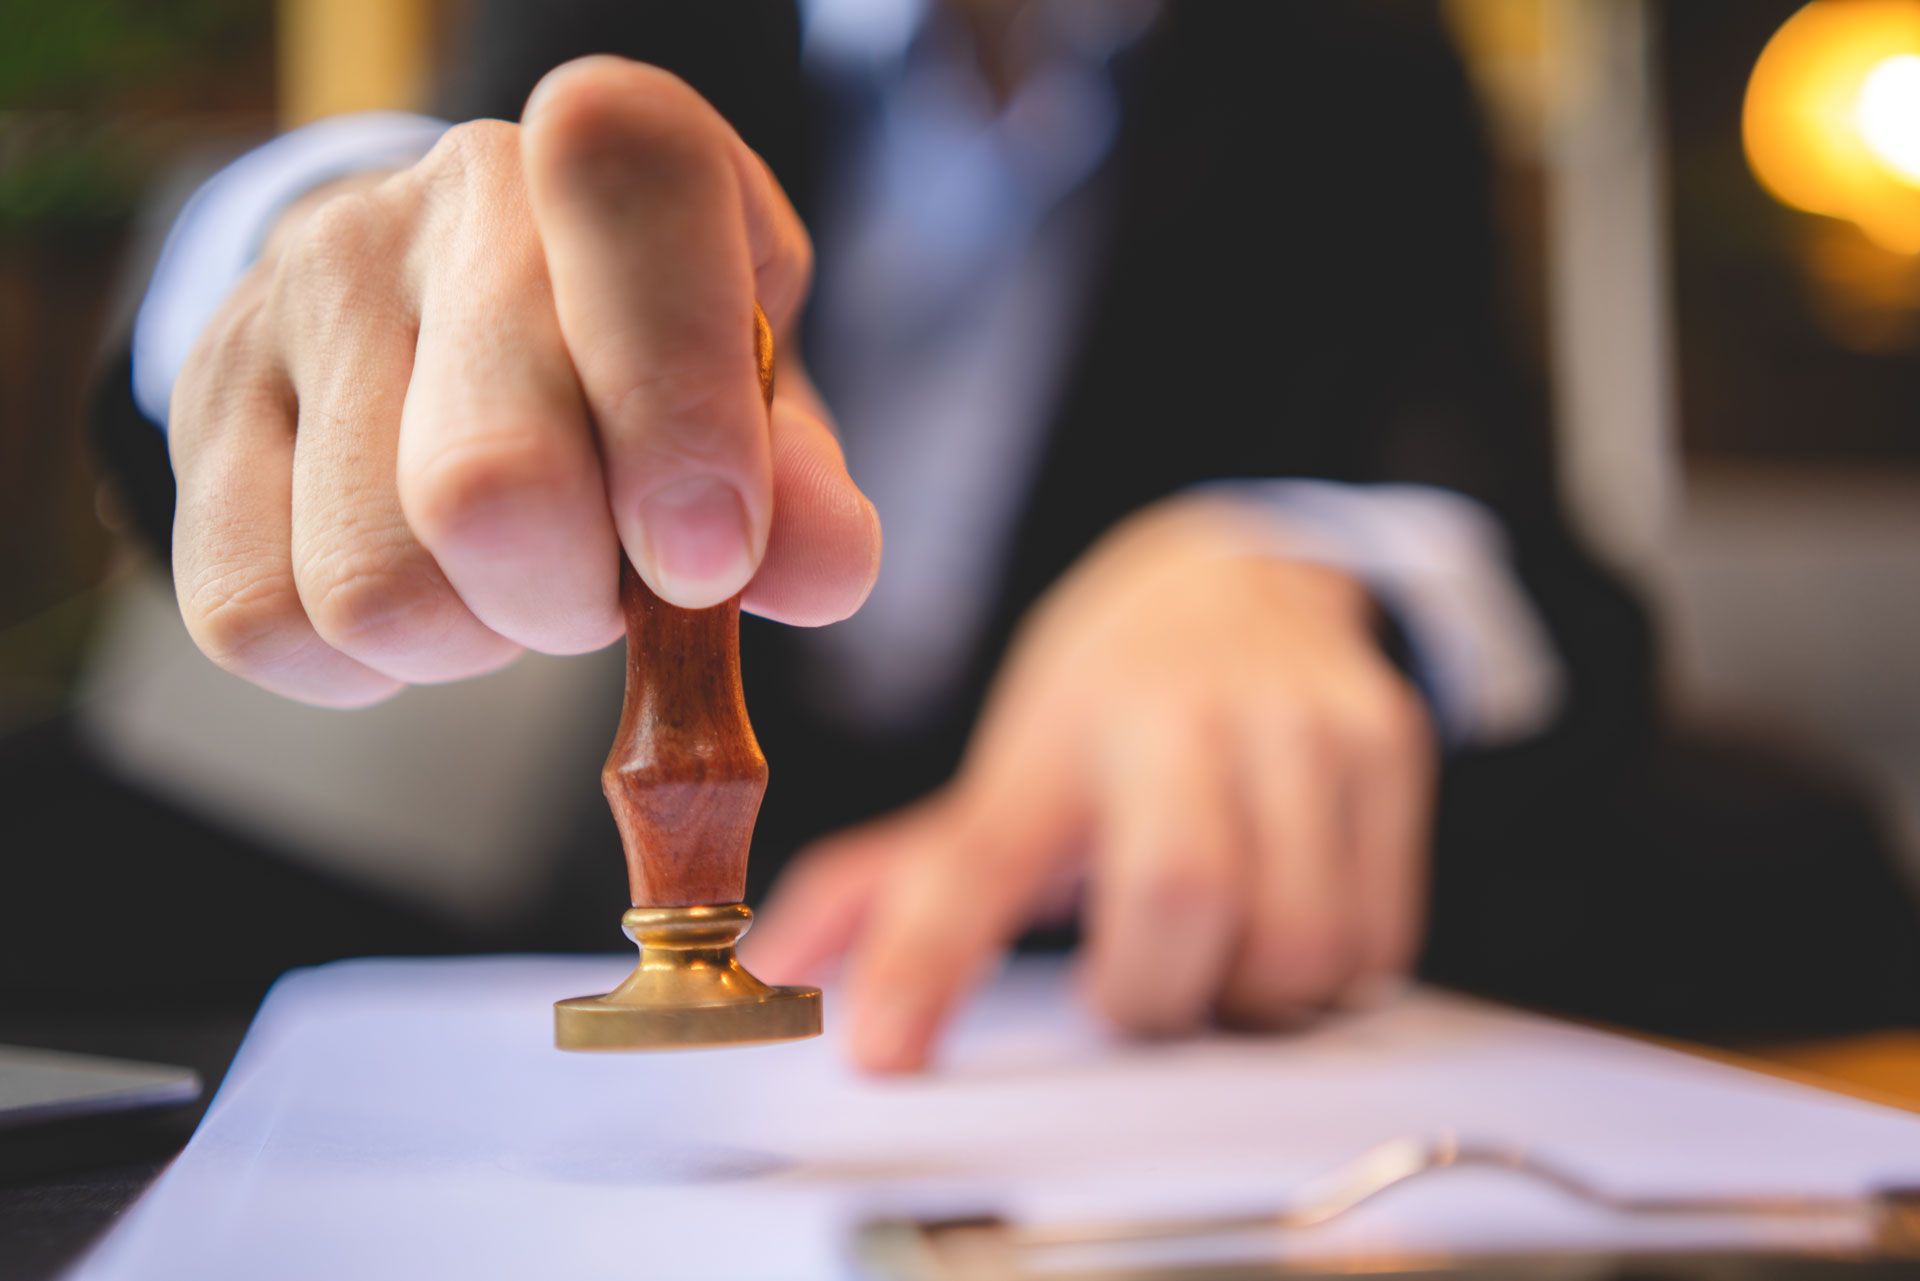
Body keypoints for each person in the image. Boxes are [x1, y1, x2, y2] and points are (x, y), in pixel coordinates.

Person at [88, 0, 1918, 1070]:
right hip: (608, 972)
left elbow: (1523, 539)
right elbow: (441, 166)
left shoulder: (1350, 55)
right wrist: (302, 239)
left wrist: (1291, 557)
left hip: (1158, 970)